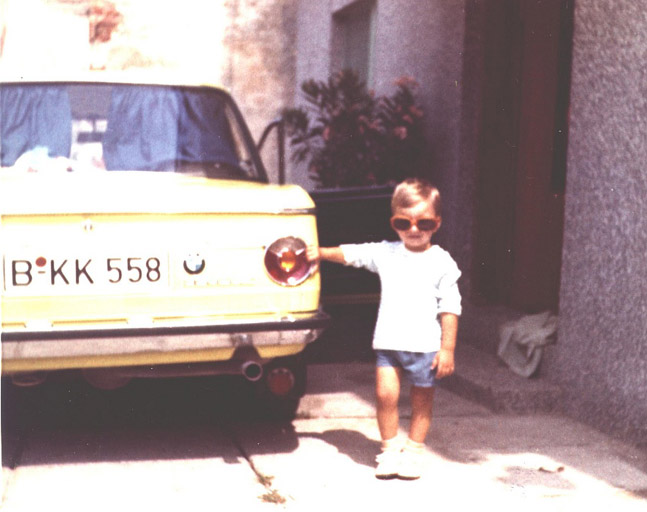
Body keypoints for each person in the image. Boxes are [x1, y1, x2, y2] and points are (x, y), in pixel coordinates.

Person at [306, 178, 461, 480]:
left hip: (425, 346)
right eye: (404, 222)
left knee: (422, 401)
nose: (414, 229)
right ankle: (389, 450)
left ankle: (413, 451)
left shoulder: (442, 262)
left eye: (424, 223)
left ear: (437, 223)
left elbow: (450, 308)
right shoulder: (386, 253)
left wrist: (448, 349)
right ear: (394, 223)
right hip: (388, 344)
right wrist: (321, 253)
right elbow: (353, 254)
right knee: (384, 396)